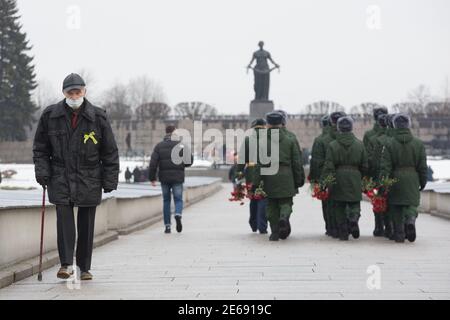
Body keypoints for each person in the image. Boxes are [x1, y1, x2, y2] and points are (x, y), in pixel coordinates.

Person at [33, 73, 119, 281]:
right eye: (70, 92)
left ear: (84, 91)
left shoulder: (98, 117)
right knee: (64, 222)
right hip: (60, 177)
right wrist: (42, 172)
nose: (74, 95)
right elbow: (40, 149)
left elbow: (109, 151)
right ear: (64, 93)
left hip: (89, 177)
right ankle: (66, 264)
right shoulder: (50, 116)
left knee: (86, 224)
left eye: (77, 91)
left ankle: (84, 267)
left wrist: (109, 179)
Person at [380, 114, 427, 243]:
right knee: (411, 204)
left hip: (395, 178)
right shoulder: (418, 144)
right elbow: (423, 166)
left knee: (396, 207)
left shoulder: (389, 144)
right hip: (412, 178)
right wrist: (423, 181)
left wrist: (384, 183)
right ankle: (411, 219)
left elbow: (385, 166)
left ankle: (399, 233)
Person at [322, 116, 369, 241]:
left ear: (338, 128)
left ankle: (343, 231)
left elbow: (329, 166)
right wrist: (361, 177)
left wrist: (326, 182)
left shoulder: (332, 145)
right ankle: (353, 219)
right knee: (354, 203)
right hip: (355, 176)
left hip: (338, 177)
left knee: (339, 206)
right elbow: (365, 165)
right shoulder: (360, 144)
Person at [261, 112, 304, 241]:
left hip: (269, 175)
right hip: (286, 175)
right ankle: (284, 217)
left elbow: (258, 164)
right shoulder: (290, 140)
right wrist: (298, 180)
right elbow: (297, 162)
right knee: (286, 202)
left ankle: (274, 232)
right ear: (281, 123)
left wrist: (256, 182)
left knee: (271, 205)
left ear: (268, 124)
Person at [149, 125, 193, 234]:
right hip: (178, 177)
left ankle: (167, 226)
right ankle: (178, 214)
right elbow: (189, 162)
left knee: (166, 201)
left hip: (164, 178)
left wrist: (152, 178)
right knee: (178, 199)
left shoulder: (159, 146)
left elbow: (153, 164)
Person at [236, 119, 268, 234]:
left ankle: (253, 223)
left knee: (253, 199)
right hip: (266, 172)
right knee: (263, 198)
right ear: (264, 126)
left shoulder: (248, 140)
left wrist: (239, 174)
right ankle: (262, 225)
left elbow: (241, 160)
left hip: (251, 172)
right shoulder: (269, 139)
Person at [364, 106, 389, 237]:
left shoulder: (369, 135)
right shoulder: (393, 134)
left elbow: (366, 157)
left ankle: (379, 226)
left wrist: (366, 176)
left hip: (375, 172)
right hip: (390, 172)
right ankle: (389, 225)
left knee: (377, 199)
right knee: (389, 199)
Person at [323, 111, 347, 238]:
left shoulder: (324, 140)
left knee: (333, 204)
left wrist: (320, 181)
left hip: (332, 175)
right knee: (350, 202)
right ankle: (350, 223)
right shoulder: (357, 142)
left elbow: (319, 162)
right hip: (352, 177)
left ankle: (332, 227)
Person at [309, 115, 332, 235]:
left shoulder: (319, 140)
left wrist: (314, 179)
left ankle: (329, 227)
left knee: (327, 202)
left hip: (324, 175)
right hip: (342, 175)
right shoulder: (338, 137)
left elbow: (316, 161)